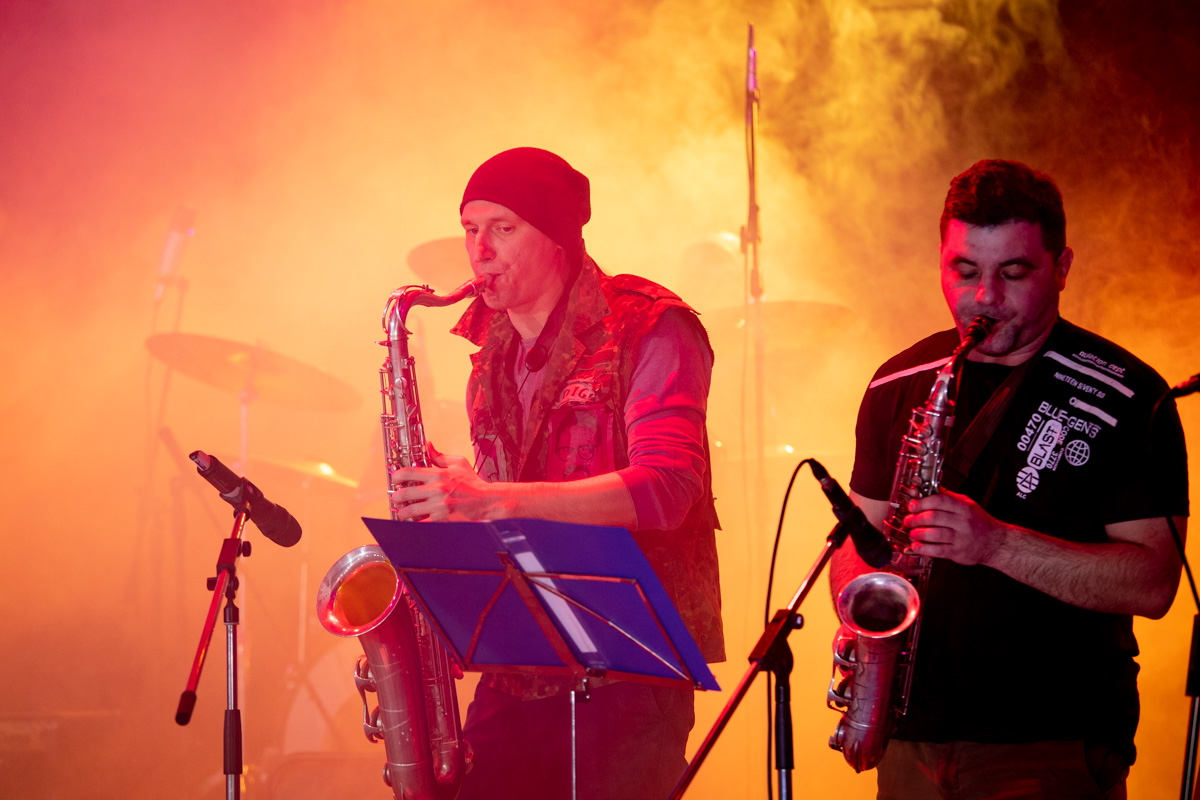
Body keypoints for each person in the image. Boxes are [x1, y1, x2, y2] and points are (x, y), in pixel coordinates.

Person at [830, 159, 1189, 799]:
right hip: (911, 736)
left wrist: (994, 543)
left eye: (1014, 273)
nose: (985, 297)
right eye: (965, 272)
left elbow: (1154, 583)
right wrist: (863, 610)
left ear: (1062, 267)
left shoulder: (1133, 397)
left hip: (1049, 740)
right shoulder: (897, 381)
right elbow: (859, 538)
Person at [391, 147, 724, 800]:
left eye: (503, 228)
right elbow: (510, 505)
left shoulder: (652, 326)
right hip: (516, 667)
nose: (479, 250)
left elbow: (667, 488)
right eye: (470, 228)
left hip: (629, 678)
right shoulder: (489, 354)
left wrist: (490, 500)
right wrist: (456, 509)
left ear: (558, 238)